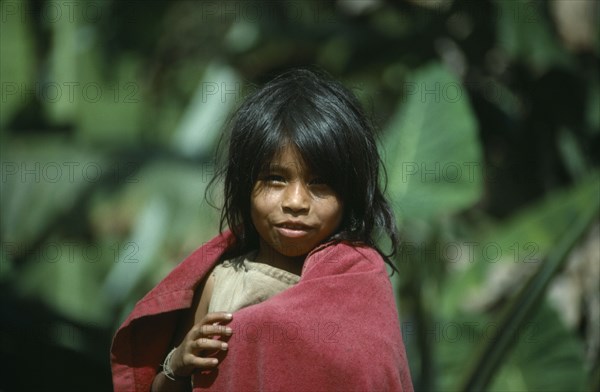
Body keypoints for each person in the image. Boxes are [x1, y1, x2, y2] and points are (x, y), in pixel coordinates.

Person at [110, 68, 413, 391]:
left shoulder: (358, 283)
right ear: (244, 186)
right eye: (275, 179)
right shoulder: (222, 283)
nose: (296, 202)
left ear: (349, 192)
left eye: (319, 183)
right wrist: (177, 366)